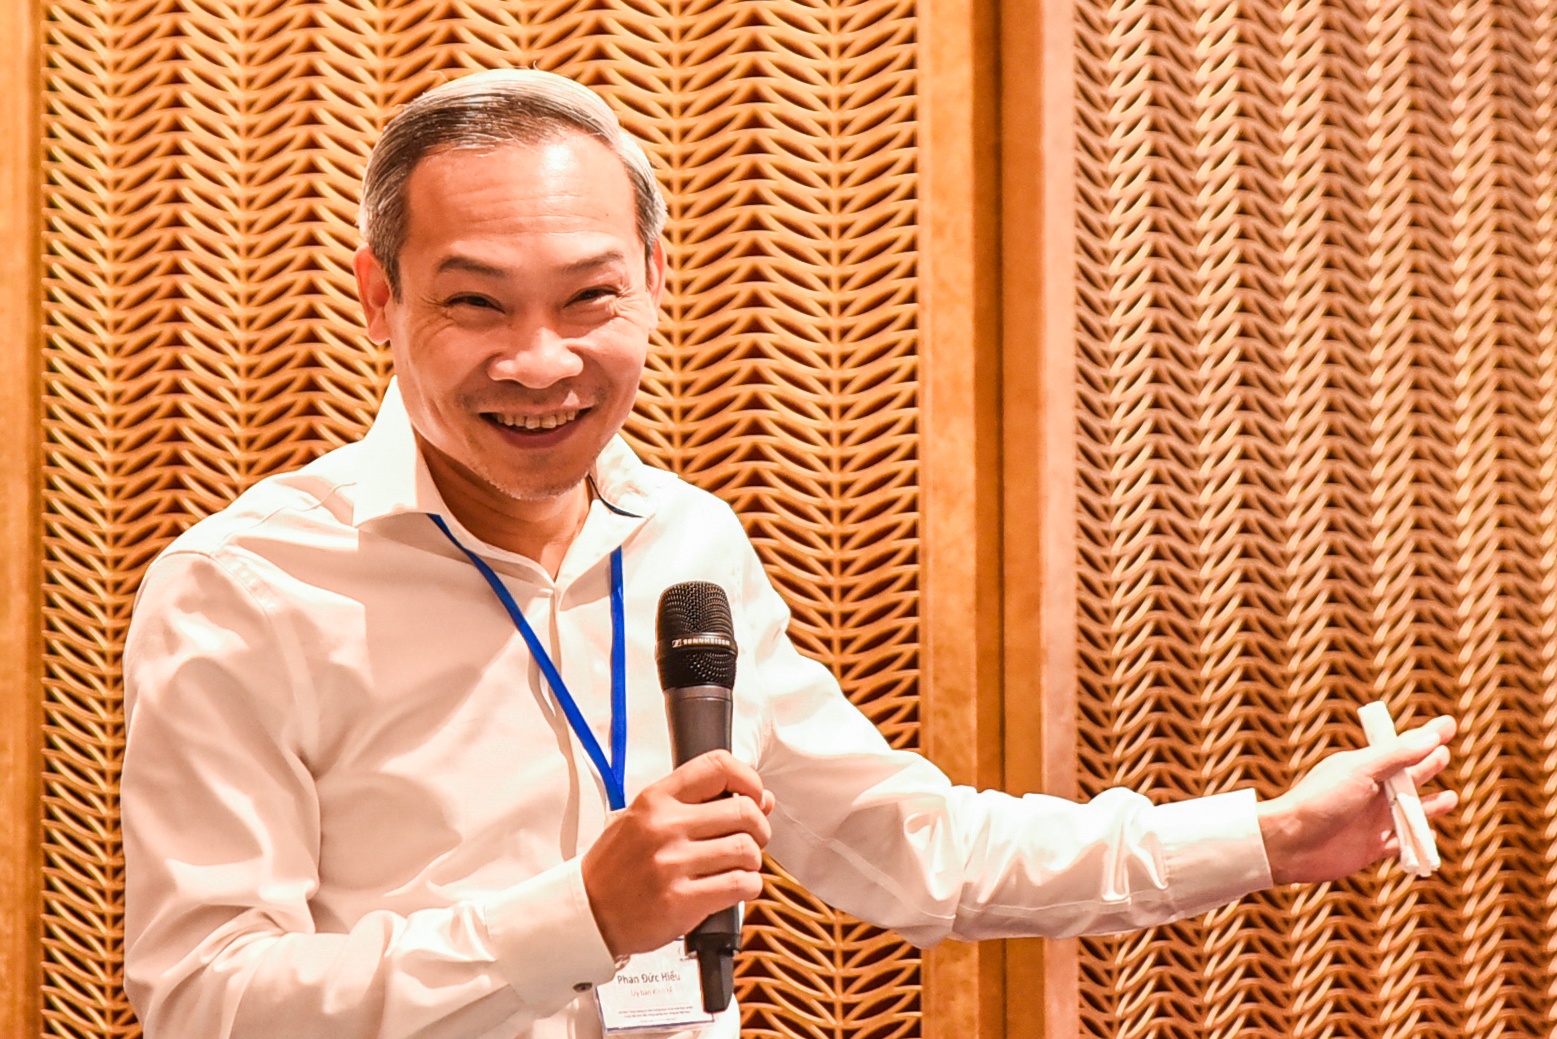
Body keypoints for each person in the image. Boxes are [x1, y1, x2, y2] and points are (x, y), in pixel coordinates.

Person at [120, 68, 1457, 1039]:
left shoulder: (691, 545)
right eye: (475, 304)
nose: (540, 362)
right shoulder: (244, 589)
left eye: (589, 297)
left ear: (653, 276)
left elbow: (912, 848)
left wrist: (1265, 837)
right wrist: (577, 918)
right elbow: (205, 1003)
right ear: (380, 296)